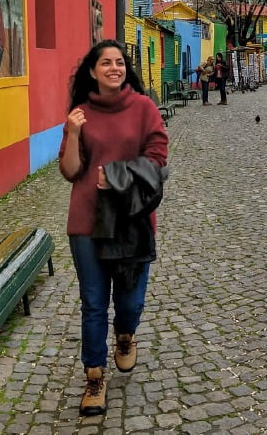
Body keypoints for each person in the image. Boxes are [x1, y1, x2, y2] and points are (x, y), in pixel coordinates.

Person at [59, 39, 169, 416]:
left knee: (129, 301)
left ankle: (125, 335)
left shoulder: (143, 108)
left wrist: (119, 178)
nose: (113, 68)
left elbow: (158, 158)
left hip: (132, 219)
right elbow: (71, 171)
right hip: (87, 220)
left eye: (119, 62)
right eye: (105, 63)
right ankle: (94, 377)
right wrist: (72, 133)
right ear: (93, 71)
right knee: (92, 303)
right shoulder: (81, 113)